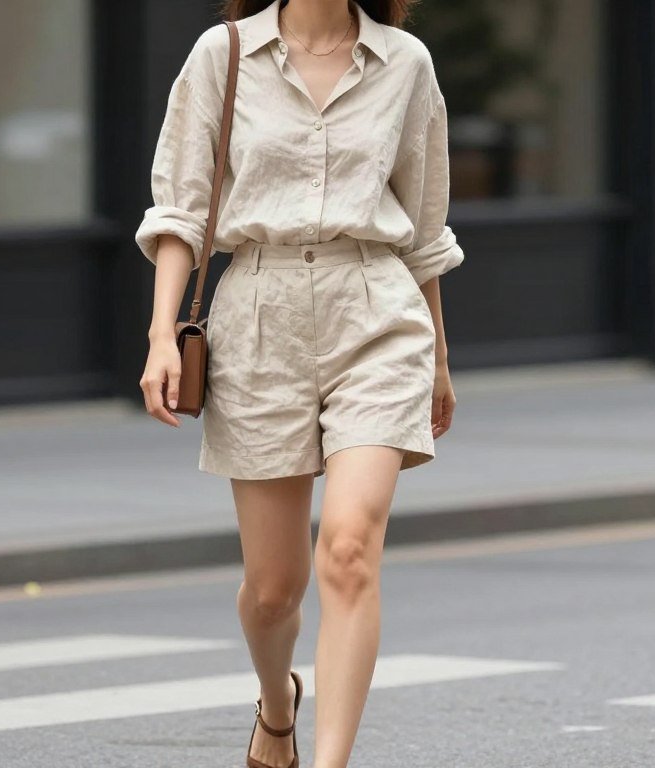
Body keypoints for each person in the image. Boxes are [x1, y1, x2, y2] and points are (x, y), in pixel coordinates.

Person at [135, 1, 463, 765]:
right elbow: (182, 212)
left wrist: (440, 356)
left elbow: (423, 228)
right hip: (257, 318)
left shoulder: (405, 63)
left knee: (348, 550)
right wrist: (160, 338)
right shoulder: (222, 56)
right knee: (274, 589)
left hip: (377, 314)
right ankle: (276, 703)